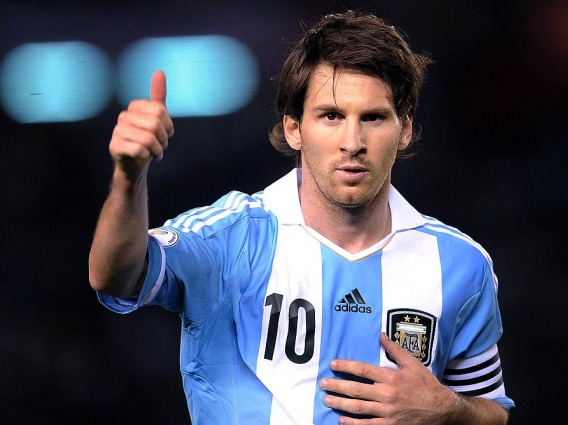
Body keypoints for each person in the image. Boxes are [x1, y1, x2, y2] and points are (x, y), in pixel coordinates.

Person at [89, 10, 514, 425]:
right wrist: (128, 178)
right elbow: (115, 276)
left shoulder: (460, 264)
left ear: (404, 130)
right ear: (293, 128)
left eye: (373, 117)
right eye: (331, 116)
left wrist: (449, 411)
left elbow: (491, 408)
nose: (353, 141)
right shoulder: (230, 238)